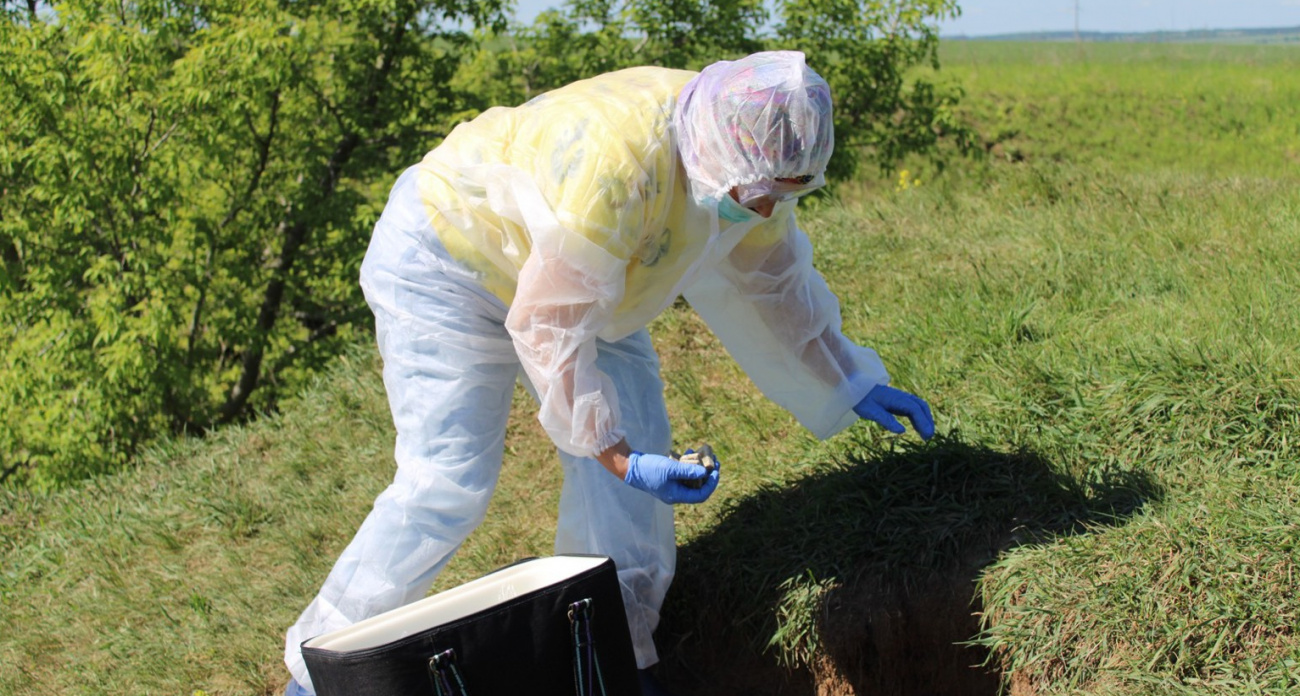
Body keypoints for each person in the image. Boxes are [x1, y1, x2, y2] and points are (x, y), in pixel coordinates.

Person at [283, 50, 934, 696]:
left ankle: (617, 651)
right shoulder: (621, 164)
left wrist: (849, 379)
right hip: (449, 258)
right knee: (447, 481)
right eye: (759, 194)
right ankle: (317, 671)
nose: (765, 211)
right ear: (719, 150)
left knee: (632, 464)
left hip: (594, 283)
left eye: (785, 196)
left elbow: (775, 285)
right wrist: (618, 457)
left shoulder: (759, 144)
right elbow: (548, 326)